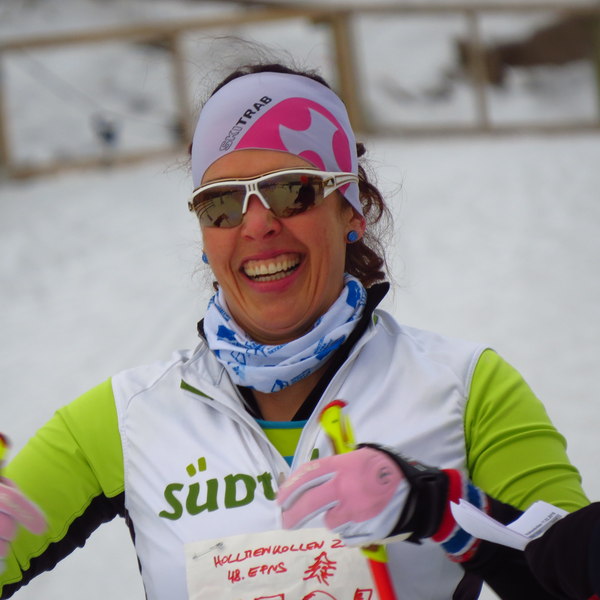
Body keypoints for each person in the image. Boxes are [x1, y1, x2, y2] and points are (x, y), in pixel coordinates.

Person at [0, 62, 590, 600]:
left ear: (352, 211)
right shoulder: (126, 419)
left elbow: (571, 575)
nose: (257, 224)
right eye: (222, 203)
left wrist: (434, 505)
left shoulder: (465, 389)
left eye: (291, 191)